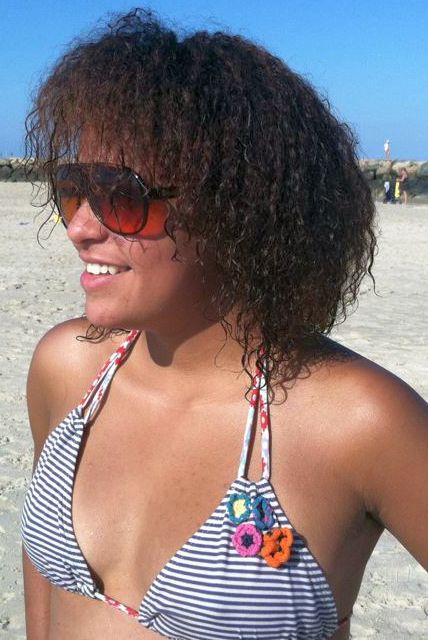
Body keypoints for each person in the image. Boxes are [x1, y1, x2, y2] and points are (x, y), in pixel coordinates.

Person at [21, 9, 427, 640]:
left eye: (120, 196)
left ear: (237, 209)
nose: (78, 227)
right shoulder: (68, 368)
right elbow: (43, 592)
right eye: (73, 189)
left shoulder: (357, 422)